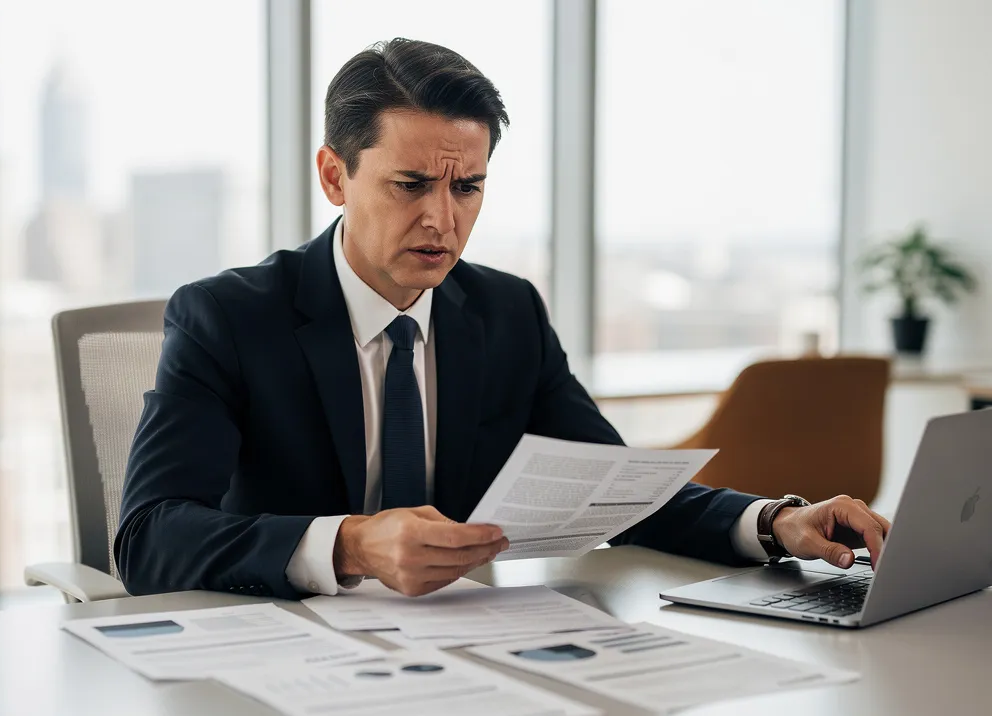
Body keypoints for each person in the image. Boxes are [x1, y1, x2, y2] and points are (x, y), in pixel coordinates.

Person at [117, 38, 890, 599]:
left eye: (467, 189)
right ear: (334, 175)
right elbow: (149, 537)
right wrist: (351, 544)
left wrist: (774, 522)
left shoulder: (505, 312)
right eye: (410, 184)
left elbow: (615, 489)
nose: (441, 221)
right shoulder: (227, 317)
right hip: (278, 659)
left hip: (462, 652)